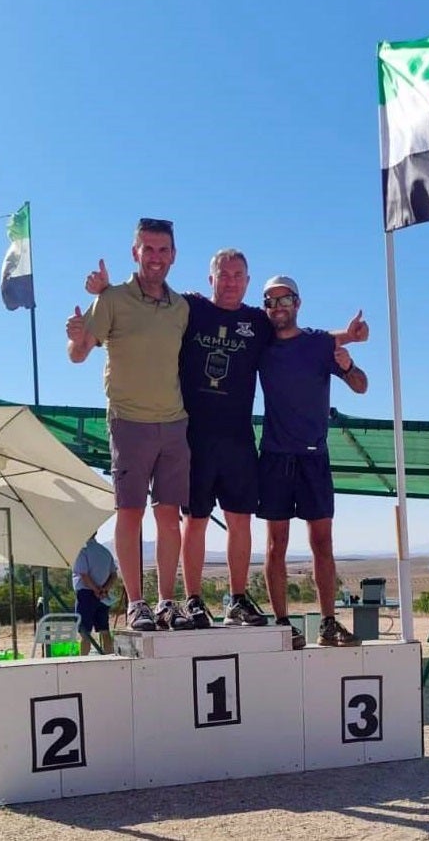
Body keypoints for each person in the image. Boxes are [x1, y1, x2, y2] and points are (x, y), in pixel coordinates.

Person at [83, 249, 368, 635]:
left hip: (238, 438)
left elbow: (299, 335)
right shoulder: (191, 308)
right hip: (193, 434)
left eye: (238, 275)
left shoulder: (257, 322)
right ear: (210, 278)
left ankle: (236, 598)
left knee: (240, 520)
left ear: (247, 282)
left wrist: (347, 337)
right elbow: (147, 304)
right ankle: (193, 599)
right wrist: (105, 293)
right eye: (224, 274)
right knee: (194, 521)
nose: (231, 280)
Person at [66, 217, 193, 633]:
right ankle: (137, 603)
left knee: (169, 515)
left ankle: (167, 603)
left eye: (163, 250)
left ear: (173, 255)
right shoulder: (113, 298)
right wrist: (76, 333)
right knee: (130, 512)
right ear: (134, 252)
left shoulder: (182, 307)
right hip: (128, 421)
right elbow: (78, 354)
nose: (155, 258)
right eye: (148, 249)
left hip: (174, 422)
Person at [258, 275, 367, 647]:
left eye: (284, 299)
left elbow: (361, 386)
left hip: (313, 457)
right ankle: (283, 624)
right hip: (274, 456)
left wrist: (349, 360)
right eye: (270, 301)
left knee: (323, 542)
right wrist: (350, 334)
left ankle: (328, 624)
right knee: (276, 544)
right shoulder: (261, 345)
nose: (277, 307)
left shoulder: (321, 344)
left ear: (298, 303)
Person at [72, 533, 116, 654]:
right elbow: (114, 574)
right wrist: (104, 589)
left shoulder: (83, 551)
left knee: (85, 633)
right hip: (103, 596)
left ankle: (83, 661)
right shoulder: (105, 551)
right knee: (105, 631)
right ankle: (110, 658)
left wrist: (95, 589)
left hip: (86, 595)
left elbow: (84, 575)